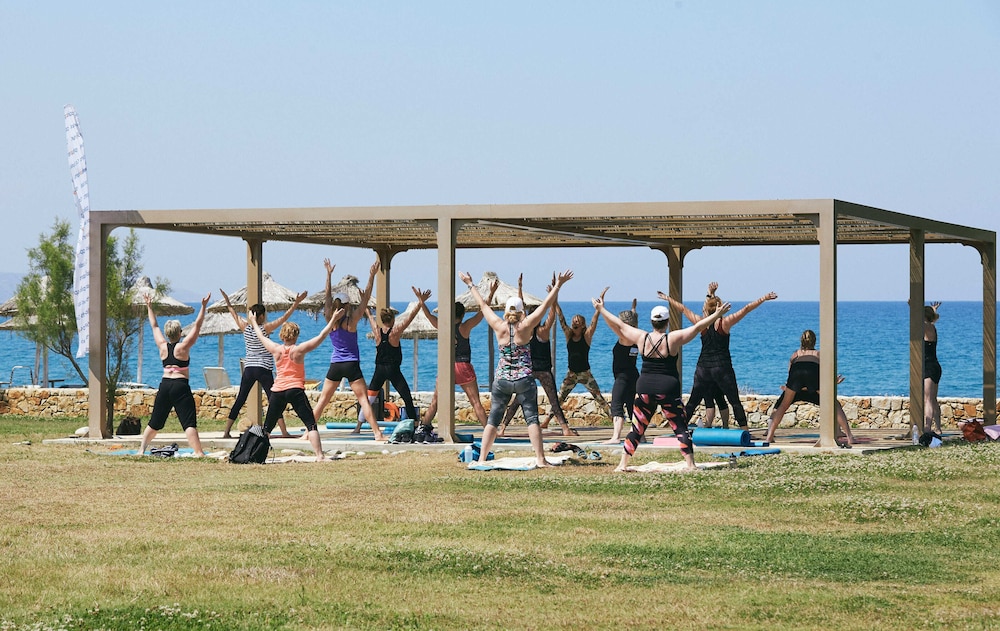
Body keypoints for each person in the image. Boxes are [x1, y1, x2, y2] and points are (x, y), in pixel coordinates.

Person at [594, 294, 731, 472]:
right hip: (668, 389)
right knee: (680, 428)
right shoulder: (672, 339)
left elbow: (619, 324)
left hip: (644, 388)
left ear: (652, 322)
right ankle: (690, 464)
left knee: (637, 429)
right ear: (666, 323)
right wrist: (717, 315)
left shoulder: (641, 337)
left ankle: (622, 464)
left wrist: (601, 309)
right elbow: (698, 327)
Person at [463, 269, 575, 468]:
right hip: (524, 379)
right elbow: (546, 305)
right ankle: (540, 459)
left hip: (502, 380)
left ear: (506, 311)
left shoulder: (498, 325)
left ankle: (481, 459)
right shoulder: (526, 325)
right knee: (532, 418)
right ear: (522, 311)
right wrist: (558, 285)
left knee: (493, 420)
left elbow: (483, 305)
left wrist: (470, 284)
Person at [659, 282, 777, 431]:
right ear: (720, 308)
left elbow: (683, 309)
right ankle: (745, 431)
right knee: (734, 401)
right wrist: (763, 298)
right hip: (722, 368)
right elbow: (746, 309)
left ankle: (680, 431)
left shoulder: (700, 322)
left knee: (693, 402)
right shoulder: (724, 323)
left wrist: (668, 298)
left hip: (703, 368)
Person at [251, 307, 346, 460]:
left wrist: (254, 322)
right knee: (311, 424)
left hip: (278, 391)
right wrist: (334, 319)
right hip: (295, 389)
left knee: (267, 427)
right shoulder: (299, 350)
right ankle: (319, 456)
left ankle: (257, 455)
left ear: (282, 335)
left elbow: (261, 336)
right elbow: (321, 336)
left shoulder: (276, 350)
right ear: (295, 335)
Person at [311, 258, 386, 442]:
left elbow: (327, 298)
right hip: (351, 364)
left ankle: (308, 432)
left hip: (336, 364)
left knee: (323, 400)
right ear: (347, 306)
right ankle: (377, 433)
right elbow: (365, 300)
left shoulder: (330, 318)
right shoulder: (351, 321)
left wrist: (328, 275)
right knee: (363, 400)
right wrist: (371, 276)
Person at [219, 289, 308, 438]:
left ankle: (226, 431)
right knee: (275, 400)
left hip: (249, 368)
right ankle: (284, 431)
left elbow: (233, 313)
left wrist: (228, 301)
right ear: (261, 316)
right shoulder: (264, 328)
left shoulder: (245, 328)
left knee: (240, 399)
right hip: (263, 369)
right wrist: (296, 303)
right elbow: (284, 318)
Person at [499, 274, 578, 437]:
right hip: (543, 370)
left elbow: (521, 310)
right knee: (553, 400)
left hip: (528, 369)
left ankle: (503, 428)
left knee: (518, 400)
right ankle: (565, 429)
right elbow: (551, 315)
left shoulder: (524, 331)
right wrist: (554, 294)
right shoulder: (543, 331)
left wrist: (520, 288)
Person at [137, 292, 211, 456]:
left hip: (165, 385)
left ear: (167, 333)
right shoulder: (183, 347)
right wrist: (203, 306)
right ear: (179, 333)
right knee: (188, 423)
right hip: (180, 386)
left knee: (155, 422)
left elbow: (154, 326)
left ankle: (141, 450)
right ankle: (198, 452)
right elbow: (197, 326)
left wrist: (149, 306)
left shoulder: (162, 346)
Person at [418, 279, 499, 428]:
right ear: (462, 315)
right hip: (463, 366)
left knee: (435, 402)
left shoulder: (443, 326)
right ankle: (490, 433)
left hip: (447, 367)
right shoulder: (465, 327)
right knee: (476, 403)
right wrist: (491, 293)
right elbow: (483, 311)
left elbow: (429, 316)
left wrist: (422, 302)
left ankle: (421, 429)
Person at [762, 329, 856, 445]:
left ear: (801, 341)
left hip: (797, 375)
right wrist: (834, 382)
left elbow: (790, 373)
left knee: (782, 405)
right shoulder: (819, 354)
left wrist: (792, 387)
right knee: (834, 404)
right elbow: (826, 375)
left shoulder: (795, 354)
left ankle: (769, 436)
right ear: (814, 341)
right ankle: (849, 437)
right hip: (812, 374)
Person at [365, 286, 432, 428]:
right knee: (406, 397)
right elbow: (410, 317)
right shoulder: (395, 332)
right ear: (393, 319)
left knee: (369, 399)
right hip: (393, 370)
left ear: (382, 320)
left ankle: (358, 426)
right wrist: (420, 302)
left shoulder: (377, 332)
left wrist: (364, 303)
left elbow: (370, 317)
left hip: (379, 369)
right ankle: (415, 424)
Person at [546, 294, 612, 425]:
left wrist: (598, 309)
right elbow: (561, 318)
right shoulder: (568, 335)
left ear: (582, 325)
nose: (574, 323)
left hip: (585, 373)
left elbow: (594, 322)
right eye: (573, 321)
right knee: (559, 398)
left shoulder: (586, 336)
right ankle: (547, 420)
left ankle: (614, 419)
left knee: (599, 397)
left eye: (577, 321)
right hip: (571, 373)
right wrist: (555, 300)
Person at [602, 296, 639, 444]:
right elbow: (633, 321)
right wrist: (633, 309)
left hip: (623, 377)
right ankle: (639, 435)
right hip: (634, 376)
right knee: (631, 407)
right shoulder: (636, 335)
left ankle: (616, 437)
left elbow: (611, 324)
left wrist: (601, 309)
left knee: (616, 405)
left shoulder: (625, 338)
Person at [923, 302, 943, 434]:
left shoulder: (926, 327)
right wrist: (933, 310)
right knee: (933, 399)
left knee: (928, 400)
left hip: (929, 367)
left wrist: (912, 307)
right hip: (935, 366)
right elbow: (931, 320)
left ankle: (927, 428)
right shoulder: (932, 327)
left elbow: (918, 321)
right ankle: (938, 428)